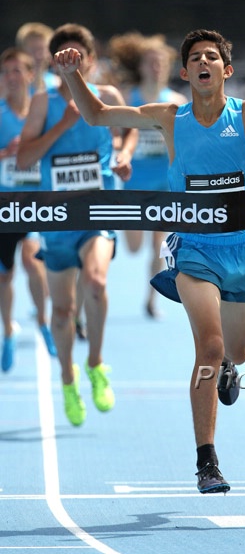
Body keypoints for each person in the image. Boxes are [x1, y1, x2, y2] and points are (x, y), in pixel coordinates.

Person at [53, 29, 245, 492]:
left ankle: (228, 367)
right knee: (208, 346)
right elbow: (98, 114)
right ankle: (207, 462)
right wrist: (72, 77)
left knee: (235, 352)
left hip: (242, 251)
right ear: (186, 73)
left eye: (213, 57)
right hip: (193, 249)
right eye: (196, 58)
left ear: (226, 70)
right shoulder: (170, 117)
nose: (204, 62)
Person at [17, 23, 136, 426]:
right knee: (64, 311)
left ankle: (96, 363)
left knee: (97, 282)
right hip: (56, 219)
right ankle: (67, 376)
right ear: (54, 63)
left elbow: (129, 130)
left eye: (78, 57)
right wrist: (64, 124)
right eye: (64, 57)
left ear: (91, 60)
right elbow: (23, 160)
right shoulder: (42, 102)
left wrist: (123, 155)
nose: (72, 63)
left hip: (97, 210)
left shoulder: (107, 97)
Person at [109, 32, 187, 317]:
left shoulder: (176, 101)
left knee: (159, 245)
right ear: (141, 67)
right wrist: (120, 148)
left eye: (161, 62)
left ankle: (151, 300)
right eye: (150, 61)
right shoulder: (130, 98)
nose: (156, 67)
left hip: (164, 183)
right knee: (132, 247)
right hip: (135, 182)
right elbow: (115, 133)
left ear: (167, 66)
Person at [0, 46, 57, 372]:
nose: (10, 77)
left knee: (33, 262)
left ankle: (44, 322)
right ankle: (8, 329)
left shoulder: (41, 114)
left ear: (29, 75)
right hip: (4, 206)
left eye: (16, 71)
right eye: (6, 72)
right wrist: (7, 154)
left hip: (35, 204)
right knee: (5, 276)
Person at [15, 22, 60, 93]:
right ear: (21, 52)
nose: (38, 56)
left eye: (42, 50)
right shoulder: (8, 86)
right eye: (33, 50)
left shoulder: (58, 84)